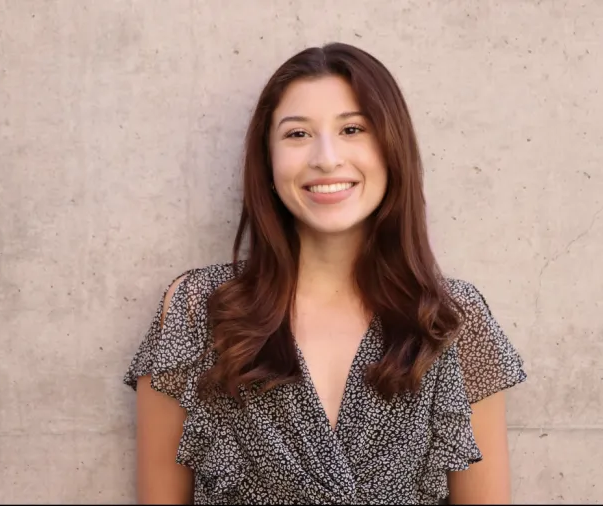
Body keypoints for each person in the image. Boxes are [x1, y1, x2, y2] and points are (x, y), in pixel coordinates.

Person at [123, 42, 527, 505]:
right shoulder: (197, 308)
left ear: (392, 147)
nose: (326, 158)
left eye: (353, 128)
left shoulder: (452, 319)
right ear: (267, 161)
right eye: (297, 135)